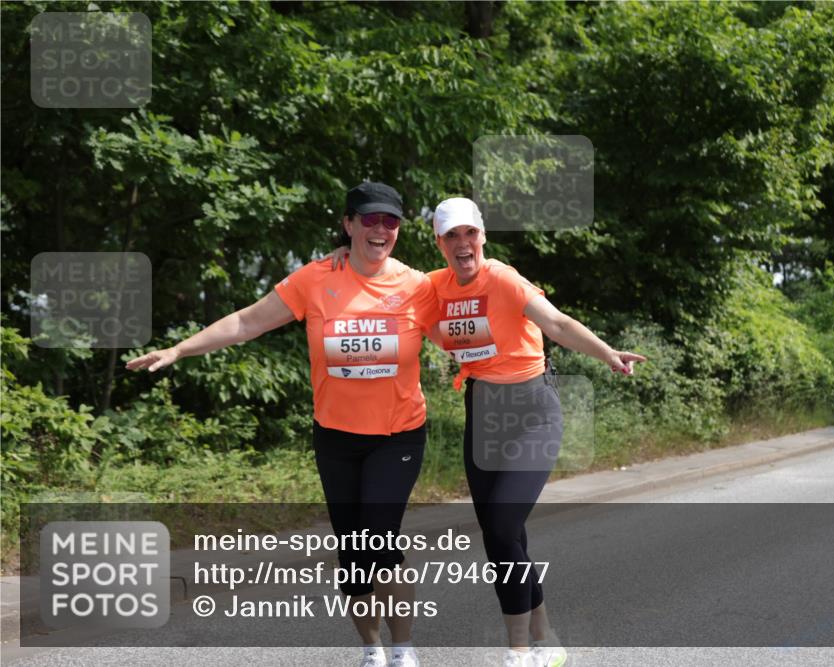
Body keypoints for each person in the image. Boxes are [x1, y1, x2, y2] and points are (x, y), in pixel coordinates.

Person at [126, 182, 437, 667]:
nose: (380, 230)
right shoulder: (316, 279)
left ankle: (404, 649)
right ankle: (372, 650)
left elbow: (468, 321)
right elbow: (248, 322)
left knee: (380, 539)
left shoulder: (418, 286)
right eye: (370, 220)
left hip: (397, 436)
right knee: (353, 558)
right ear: (349, 224)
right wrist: (180, 348)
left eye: (390, 221)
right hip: (334, 436)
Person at [330, 197, 646, 667]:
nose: (463, 244)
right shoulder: (433, 286)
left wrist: (607, 353)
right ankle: (546, 637)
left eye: (470, 234)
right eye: (451, 236)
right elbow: (380, 270)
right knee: (504, 536)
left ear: (483, 236)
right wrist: (339, 256)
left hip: (532, 410)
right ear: (439, 243)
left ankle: (520, 651)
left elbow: (556, 322)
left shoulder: (502, 278)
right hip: (482, 412)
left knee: (502, 526)